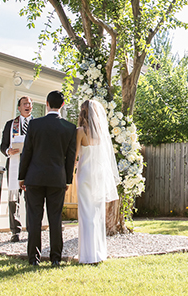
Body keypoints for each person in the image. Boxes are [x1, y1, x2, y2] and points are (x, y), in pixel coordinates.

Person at [18, 90, 77, 266]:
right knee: (55, 218)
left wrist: (21, 177)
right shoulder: (69, 128)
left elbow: (27, 152)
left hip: (34, 178)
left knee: (34, 219)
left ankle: (33, 259)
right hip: (57, 179)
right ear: (63, 105)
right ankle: (56, 259)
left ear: (46, 103)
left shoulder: (35, 125)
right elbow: (70, 157)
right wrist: (67, 180)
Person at [76, 99, 121, 264]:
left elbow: (75, 158)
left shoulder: (80, 131)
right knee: (97, 214)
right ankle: (99, 253)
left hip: (85, 174)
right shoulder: (101, 132)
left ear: (83, 112)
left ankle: (86, 255)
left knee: (85, 214)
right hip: (99, 174)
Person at [0, 96, 32, 243]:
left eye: (29, 104)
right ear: (19, 107)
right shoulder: (10, 124)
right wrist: (8, 151)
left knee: (31, 198)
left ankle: (32, 229)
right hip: (14, 164)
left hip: (32, 165)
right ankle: (15, 231)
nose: (27, 106)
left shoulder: (36, 124)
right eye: (24, 104)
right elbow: (3, 146)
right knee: (14, 199)